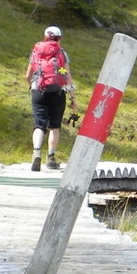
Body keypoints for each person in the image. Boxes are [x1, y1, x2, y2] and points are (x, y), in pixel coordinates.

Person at [26, 26, 77, 171]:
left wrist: (32, 85)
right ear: (59, 38)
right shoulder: (61, 53)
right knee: (54, 125)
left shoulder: (36, 52)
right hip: (57, 91)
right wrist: (73, 98)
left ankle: (36, 152)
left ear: (45, 37)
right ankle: (51, 158)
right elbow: (66, 75)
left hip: (38, 90)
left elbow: (28, 75)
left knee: (39, 124)